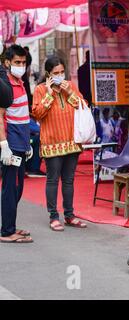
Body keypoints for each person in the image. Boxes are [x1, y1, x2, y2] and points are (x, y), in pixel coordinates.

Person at [32, 55, 87, 232]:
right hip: (52, 143)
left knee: (69, 181)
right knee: (53, 180)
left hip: (72, 141)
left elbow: (83, 106)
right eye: (56, 73)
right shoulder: (40, 89)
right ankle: (54, 216)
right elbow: (38, 114)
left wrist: (69, 93)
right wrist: (50, 94)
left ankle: (70, 215)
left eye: (62, 72)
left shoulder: (70, 86)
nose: (60, 75)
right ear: (48, 74)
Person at [0, 45, 33, 243]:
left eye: (23, 62)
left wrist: (27, 144)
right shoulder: (4, 85)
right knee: (10, 188)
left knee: (18, 188)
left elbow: (23, 116)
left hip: (21, 144)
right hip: (11, 145)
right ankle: (6, 231)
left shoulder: (21, 82)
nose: (21, 66)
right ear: (7, 63)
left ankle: (9, 225)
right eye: (17, 62)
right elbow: (0, 117)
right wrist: (4, 145)